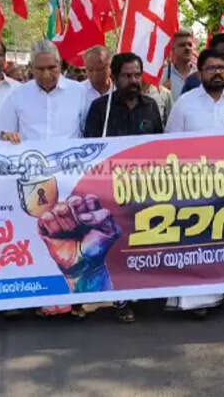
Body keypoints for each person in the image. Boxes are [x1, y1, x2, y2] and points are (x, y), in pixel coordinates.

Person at [165, 49, 224, 317]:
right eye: (210, 68)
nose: (217, 72)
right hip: (193, 186)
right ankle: (193, 301)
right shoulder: (185, 103)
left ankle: (216, 294)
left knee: (221, 241)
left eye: (221, 68)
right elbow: (170, 144)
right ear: (200, 72)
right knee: (194, 241)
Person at [0, 40, 86, 318]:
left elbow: (88, 133)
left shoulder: (79, 93)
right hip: (32, 182)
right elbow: (2, 133)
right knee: (34, 236)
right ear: (31, 68)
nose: (47, 74)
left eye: (53, 67)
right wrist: (8, 137)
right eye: (41, 69)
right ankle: (36, 294)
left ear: (61, 65)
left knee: (68, 236)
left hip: (70, 178)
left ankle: (75, 298)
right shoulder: (17, 96)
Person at [84, 53, 163, 323]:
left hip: (144, 189)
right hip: (110, 190)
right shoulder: (100, 108)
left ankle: (144, 291)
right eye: (127, 75)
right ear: (115, 77)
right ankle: (121, 300)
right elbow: (90, 150)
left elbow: (160, 147)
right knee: (116, 244)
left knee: (142, 241)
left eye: (137, 75)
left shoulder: (151, 106)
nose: (133, 80)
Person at [80, 46, 113, 127]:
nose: (95, 74)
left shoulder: (119, 91)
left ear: (110, 67)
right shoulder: (77, 92)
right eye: (90, 70)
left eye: (100, 69)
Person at [160, 29, 197, 100]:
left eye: (190, 45)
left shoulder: (200, 75)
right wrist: (161, 93)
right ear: (173, 49)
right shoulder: (163, 75)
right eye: (182, 45)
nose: (187, 48)